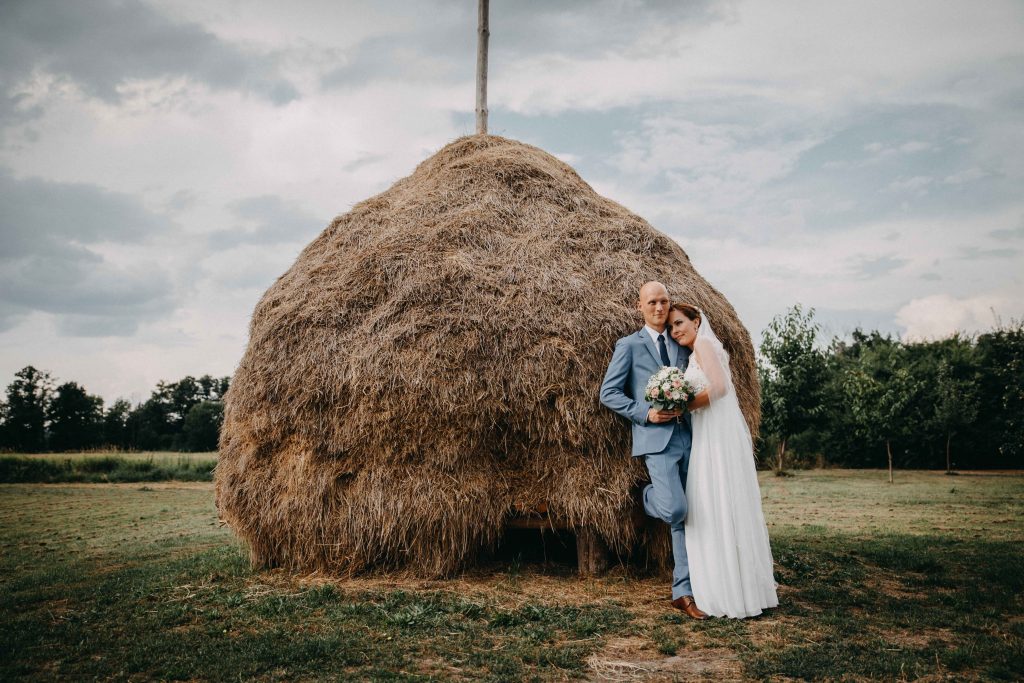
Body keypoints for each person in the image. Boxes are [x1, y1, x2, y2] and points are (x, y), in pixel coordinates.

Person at [600, 282, 709, 619]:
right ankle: (647, 497)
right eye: (652, 302)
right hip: (655, 440)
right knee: (674, 509)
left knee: (688, 517)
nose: (659, 308)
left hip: (691, 436)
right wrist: (645, 413)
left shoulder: (681, 342)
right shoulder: (629, 346)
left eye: (663, 301)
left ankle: (683, 591)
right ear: (640, 306)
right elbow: (609, 393)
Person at [668, 303, 779, 618]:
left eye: (679, 323)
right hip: (708, 430)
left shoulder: (704, 344)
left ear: (696, 321)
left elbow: (719, 387)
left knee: (713, 500)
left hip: (715, 433)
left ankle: (727, 591)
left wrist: (682, 408)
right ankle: (729, 585)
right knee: (716, 502)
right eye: (672, 327)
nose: (675, 331)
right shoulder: (698, 350)